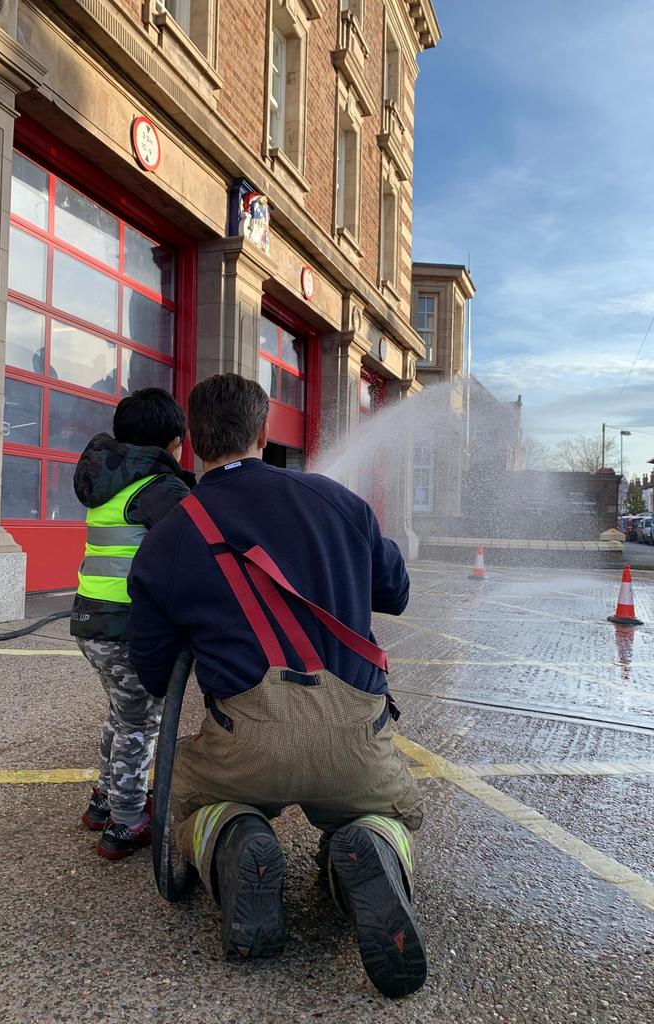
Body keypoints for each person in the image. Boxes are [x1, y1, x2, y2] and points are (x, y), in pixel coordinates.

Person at [127, 373, 426, 998]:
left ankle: (235, 839)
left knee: (189, 799)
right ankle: (368, 845)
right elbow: (395, 592)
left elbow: (155, 677)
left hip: (248, 740)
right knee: (386, 809)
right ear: (264, 433)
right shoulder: (340, 502)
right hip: (357, 734)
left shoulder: (168, 538)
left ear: (191, 443)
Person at [70, 388, 194, 859]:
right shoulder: (160, 488)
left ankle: (105, 801)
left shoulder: (106, 480)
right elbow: (195, 548)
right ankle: (125, 822)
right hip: (127, 630)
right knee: (141, 724)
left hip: (90, 620)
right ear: (174, 442)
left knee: (124, 715)